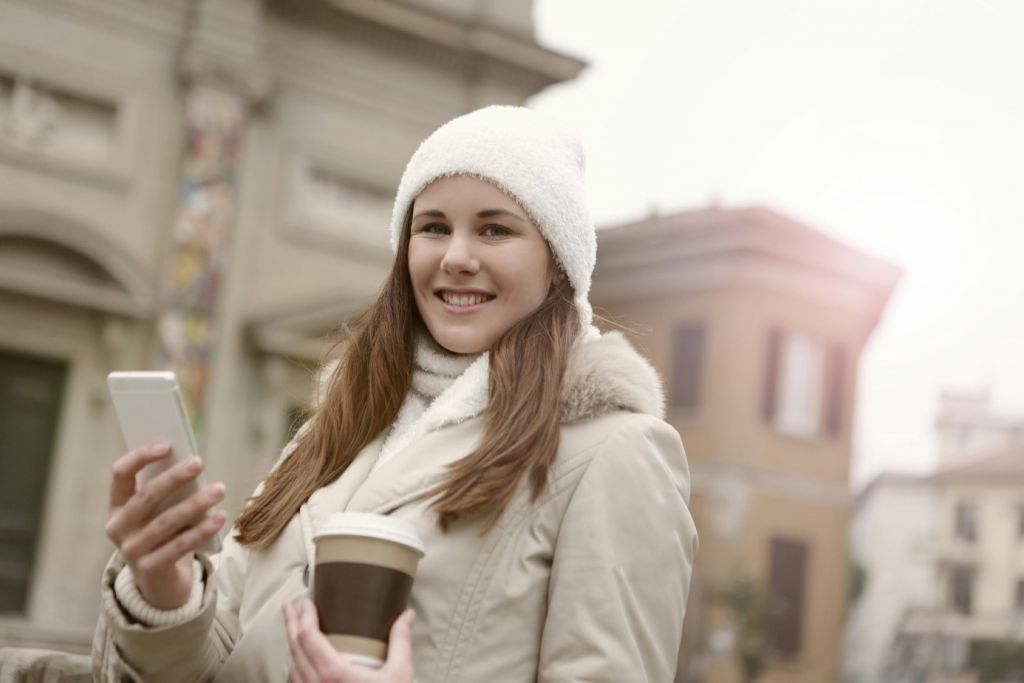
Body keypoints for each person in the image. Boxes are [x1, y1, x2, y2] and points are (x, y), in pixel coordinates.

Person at [93, 105, 698, 683]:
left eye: (494, 229)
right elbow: (215, 663)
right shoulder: (335, 430)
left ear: (559, 263)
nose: (456, 257)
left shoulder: (613, 452)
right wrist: (164, 590)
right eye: (433, 227)